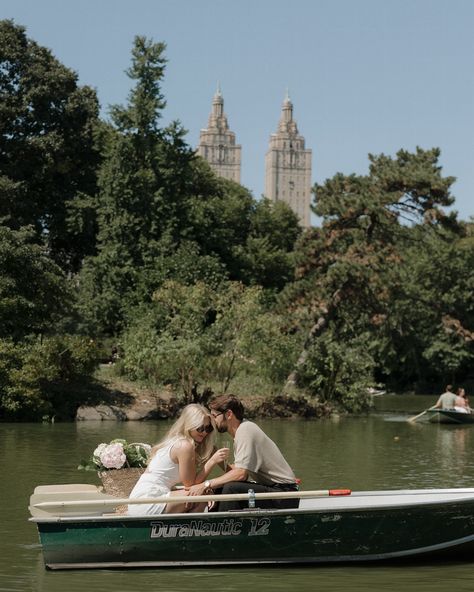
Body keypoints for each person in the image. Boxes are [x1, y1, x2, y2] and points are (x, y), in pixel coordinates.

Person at [187, 394, 299, 511]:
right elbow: (237, 473)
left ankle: (225, 527)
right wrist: (214, 457)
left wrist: (206, 484)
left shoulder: (245, 430)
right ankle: (213, 525)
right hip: (275, 491)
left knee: (231, 489)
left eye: (215, 416)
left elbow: (241, 475)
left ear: (229, 414)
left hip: (285, 495)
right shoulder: (242, 430)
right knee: (220, 488)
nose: (213, 421)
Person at [128, 404, 228, 515]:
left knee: (200, 493)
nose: (204, 432)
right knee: (200, 496)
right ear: (189, 425)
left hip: (141, 498)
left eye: (208, 428)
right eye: (200, 428)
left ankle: (181, 529)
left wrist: (203, 488)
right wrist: (212, 462)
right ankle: (189, 530)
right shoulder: (184, 446)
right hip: (148, 500)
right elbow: (191, 485)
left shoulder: (176, 441)